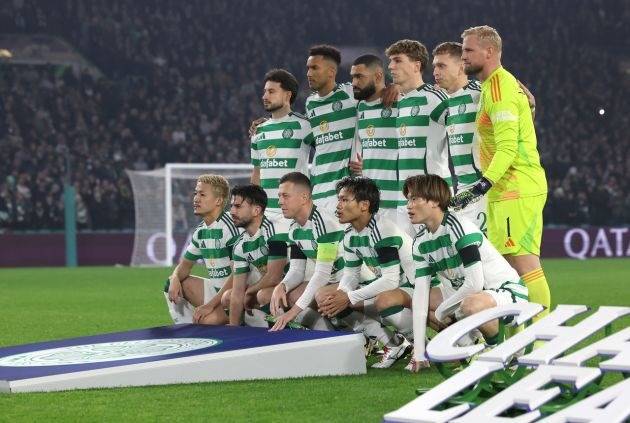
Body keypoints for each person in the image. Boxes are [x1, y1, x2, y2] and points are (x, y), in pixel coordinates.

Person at [453, 25, 550, 321]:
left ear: (489, 51)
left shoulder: (499, 87)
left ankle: (541, 337)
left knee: (525, 266)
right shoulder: (492, 86)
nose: (463, 56)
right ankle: (520, 335)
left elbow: (507, 148)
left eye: (468, 50)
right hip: (505, 189)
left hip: (515, 187)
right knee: (508, 271)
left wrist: (480, 186)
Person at [404, 174, 528, 372]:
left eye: (414, 199)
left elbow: (475, 284)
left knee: (469, 305)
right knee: (420, 302)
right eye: (408, 199)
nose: (408, 205)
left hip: (506, 292)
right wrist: (419, 351)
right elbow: (420, 295)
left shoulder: (459, 227)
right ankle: (472, 347)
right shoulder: (420, 242)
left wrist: (443, 311)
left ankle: (502, 352)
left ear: (434, 201)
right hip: (468, 296)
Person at [432, 41, 536, 233]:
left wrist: (530, 106)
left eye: (441, 66)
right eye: (434, 66)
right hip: (462, 195)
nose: (435, 72)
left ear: (461, 66)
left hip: (485, 193)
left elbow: (518, 119)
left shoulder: (482, 92)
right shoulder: (444, 103)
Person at [318, 176, 414, 368]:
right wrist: (342, 293)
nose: (338, 205)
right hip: (396, 289)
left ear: (364, 205)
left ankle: (422, 346)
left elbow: (391, 280)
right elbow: (351, 274)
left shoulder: (383, 229)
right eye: (339, 199)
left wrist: (349, 297)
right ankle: (393, 344)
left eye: (345, 200)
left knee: (384, 301)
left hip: (418, 287)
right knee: (329, 298)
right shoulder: (350, 234)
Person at [267, 171, 343, 331]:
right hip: (332, 281)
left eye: (285, 196)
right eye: (279, 196)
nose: (280, 202)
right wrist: (282, 286)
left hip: (352, 280)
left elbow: (322, 274)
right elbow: (297, 270)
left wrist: (292, 313)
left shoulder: (324, 223)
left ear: (304, 198)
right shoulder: (294, 229)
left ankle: (371, 332)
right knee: (292, 295)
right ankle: (328, 334)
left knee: (322, 296)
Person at [351, 54, 414, 237]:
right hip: (371, 204)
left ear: (378, 76)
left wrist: (398, 87)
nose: (354, 82)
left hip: (398, 202)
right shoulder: (360, 107)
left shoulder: (399, 100)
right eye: (352, 77)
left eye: (359, 77)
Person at [164, 174, 240, 325]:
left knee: (205, 322)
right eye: (196, 193)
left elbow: (239, 276)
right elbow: (184, 266)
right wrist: (175, 278)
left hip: (235, 296)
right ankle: (185, 329)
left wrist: (209, 306)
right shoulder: (200, 231)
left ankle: (239, 321)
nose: (196, 199)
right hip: (217, 292)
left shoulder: (230, 227)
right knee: (172, 283)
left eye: (202, 194)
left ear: (218, 201)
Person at [386, 40, 452, 190]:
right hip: (407, 194)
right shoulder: (401, 101)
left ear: (416, 66)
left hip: (432, 195)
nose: (390, 66)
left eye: (397, 61)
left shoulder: (434, 98)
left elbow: (465, 127)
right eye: (391, 61)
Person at [251, 69, 313, 216]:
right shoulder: (258, 130)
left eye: (271, 92)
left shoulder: (304, 126)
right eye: (265, 92)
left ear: (287, 95)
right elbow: (256, 173)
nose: (265, 96)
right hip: (265, 214)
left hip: (294, 214)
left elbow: (328, 150)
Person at [227, 184, 289, 327]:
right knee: (228, 297)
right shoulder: (240, 245)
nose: (232, 211)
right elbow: (237, 291)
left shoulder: (275, 229)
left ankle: (291, 328)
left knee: (264, 295)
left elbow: (274, 277)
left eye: (238, 206)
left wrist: (249, 292)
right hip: (278, 288)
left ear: (256, 210)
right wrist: (233, 329)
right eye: (232, 206)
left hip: (297, 284)